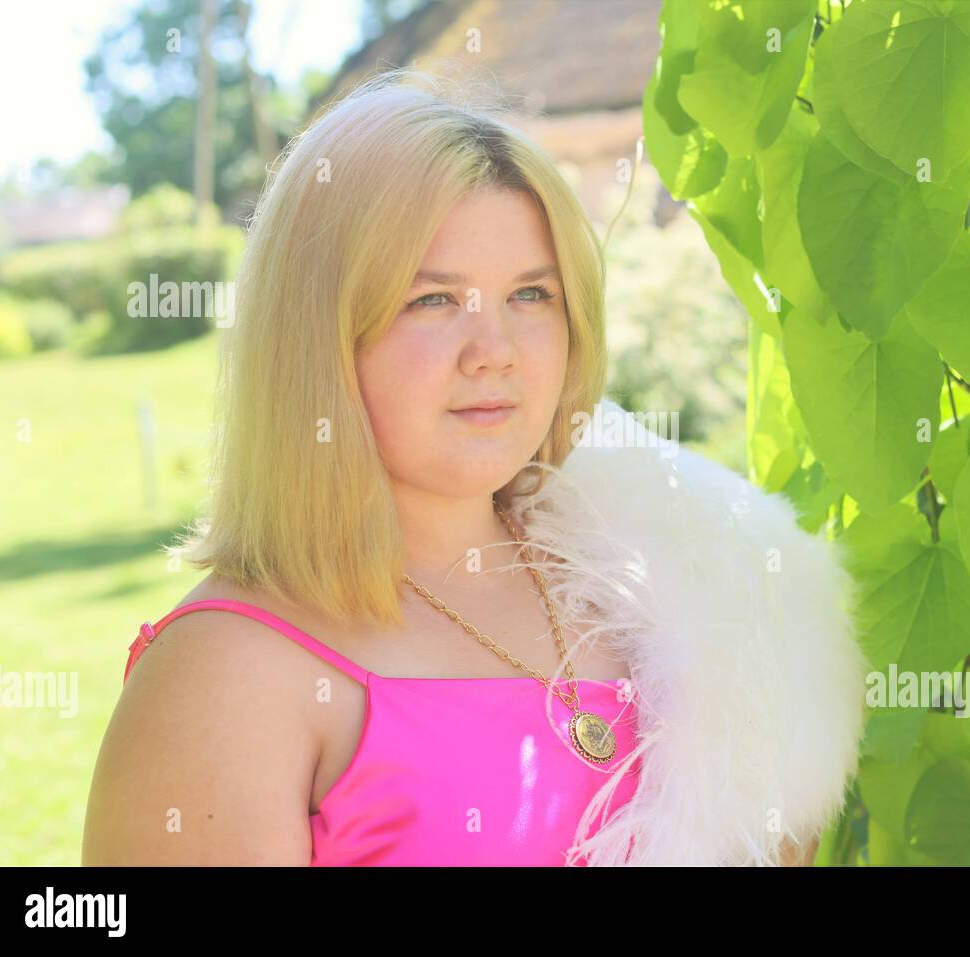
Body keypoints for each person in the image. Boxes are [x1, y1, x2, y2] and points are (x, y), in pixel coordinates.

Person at [81, 68, 869, 867]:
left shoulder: (660, 588)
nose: (494, 352)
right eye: (432, 300)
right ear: (316, 336)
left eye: (531, 295)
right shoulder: (222, 676)